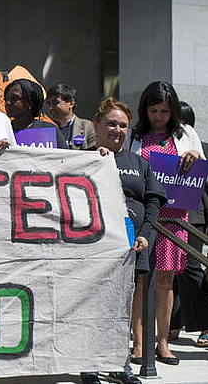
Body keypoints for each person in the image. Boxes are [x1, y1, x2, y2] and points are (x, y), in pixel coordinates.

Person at [81, 97, 163, 384]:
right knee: (92, 304)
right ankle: (89, 365)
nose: (117, 130)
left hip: (131, 245)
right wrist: (94, 160)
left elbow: (153, 201)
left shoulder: (139, 163)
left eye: (123, 125)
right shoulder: (83, 156)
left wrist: (145, 234)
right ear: (97, 125)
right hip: (93, 246)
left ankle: (119, 365)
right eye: (111, 124)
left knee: (122, 306)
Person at [126, 81, 204, 366]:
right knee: (140, 278)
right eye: (154, 110)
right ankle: (138, 341)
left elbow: (200, 169)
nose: (159, 116)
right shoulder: (135, 135)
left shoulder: (186, 133)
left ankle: (162, 342)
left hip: (174, 215)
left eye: (164, 111)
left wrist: (194, 157)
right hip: (144, 213)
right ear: (145, 109)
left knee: (165, 280)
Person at [169, 101, 208, 346]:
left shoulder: (202, 149)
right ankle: (174, 322)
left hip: (194, 216)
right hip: (168, 215)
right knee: (170, 273)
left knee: (191, 268)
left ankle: (205, 324)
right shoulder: (165, 148)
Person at [3, 79, 67, 148]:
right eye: (6, 99)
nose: (8, 103)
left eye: (14, 98)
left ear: (29, 103)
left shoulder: (49, 131)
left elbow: (66, 157)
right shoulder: (3, 131)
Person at [45, 83, 96, 150]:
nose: (51, 108)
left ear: (71, 103)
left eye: (55, 103)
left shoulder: (88, 127)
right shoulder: (45, 128)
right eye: (49, 103)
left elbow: (94, 153)